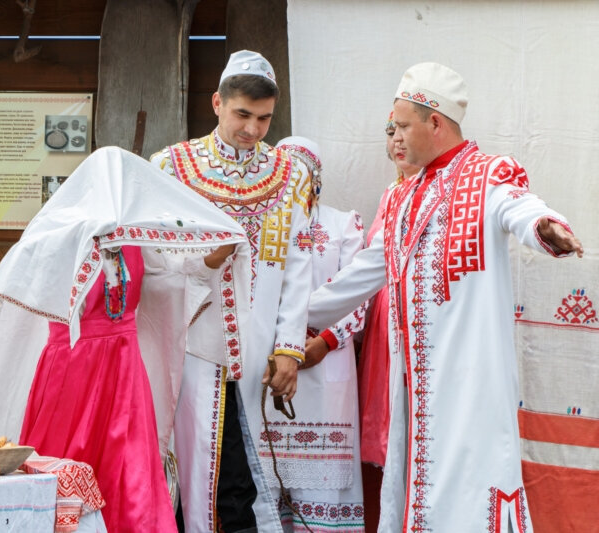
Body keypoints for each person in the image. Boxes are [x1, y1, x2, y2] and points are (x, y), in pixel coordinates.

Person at [307, 62, 583, 532]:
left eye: (402, 124)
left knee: (474, 494)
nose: (394, 134)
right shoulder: (400, 197)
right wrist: (290, 315)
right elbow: (361, 276)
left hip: (471, 385)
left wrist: (545, 229)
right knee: (416, 492)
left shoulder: (487, 175)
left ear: (434, 122)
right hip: (412, 390)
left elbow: (519, 207)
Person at [0, 146, 254, 532]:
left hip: (123, 364)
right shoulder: (59, 234)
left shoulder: (135, 237)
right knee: (66, 451)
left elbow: (172, 277)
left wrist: (219, 250)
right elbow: (27, 283)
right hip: (72, 365)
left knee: (128, 461)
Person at [151, 50, 313, 533]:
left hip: (258, 342)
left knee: (243, 478)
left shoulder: (291, 174)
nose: (253, 129)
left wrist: (289, 348)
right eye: (243, 114)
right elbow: (152, 258)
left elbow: (297, 266)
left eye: (264, 118)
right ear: (217, 103)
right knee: (185, 462)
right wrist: (202, 263)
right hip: (190, 340)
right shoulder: (170, 166)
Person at [273, 136, 368, 531]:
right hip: (274, 365)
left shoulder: (342, 223)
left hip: (326, 362)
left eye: (301, 173)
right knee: (271, 473)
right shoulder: (264, 229)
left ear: (315, 177)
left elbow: (360, 294)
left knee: (324, 485)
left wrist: (324, 342)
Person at [358, 112, 422, 470]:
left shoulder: (437, 193)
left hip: (415, 312)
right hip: (385, 315)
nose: (397, 140)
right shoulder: (391, 194)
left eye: (404, 130)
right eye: (390, 131)